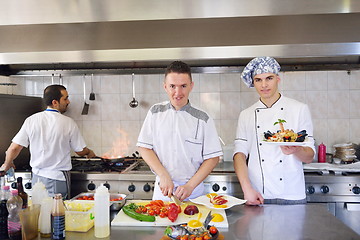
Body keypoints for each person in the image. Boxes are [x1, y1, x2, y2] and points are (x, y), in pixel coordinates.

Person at [233, 57, 315, 205]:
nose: (264, 85)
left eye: (269, 78)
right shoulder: (246, 114)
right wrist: (247, 189)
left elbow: (309, 156)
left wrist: (296, 150)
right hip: (258, 193)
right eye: (258, 80)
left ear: (278, 78)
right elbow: (239, 154)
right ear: (253, 83)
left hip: (292, 193)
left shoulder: (299, 109)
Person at [137, 61, 222, 201]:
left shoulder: (203, 118)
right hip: (163, 193)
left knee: (193, 223)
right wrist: (163, 175)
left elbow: (212, 158)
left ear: (191, 86)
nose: (178, 93)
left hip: (193, 194)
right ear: (165, 87)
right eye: (172, 86)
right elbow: (144, 148)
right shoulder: (155, 112)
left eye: (183, 86)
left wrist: (189, 186)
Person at [1, 84, 96, 199]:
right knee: (57, 214)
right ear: (55, 102)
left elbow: (14, 148)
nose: (68, 101)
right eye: (65, 98)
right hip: (58, 179)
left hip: (37, 178)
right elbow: (80, 151)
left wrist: (7, 163)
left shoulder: (31, 120)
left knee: (40, 214)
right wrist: (89, 152)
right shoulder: (68, 123)